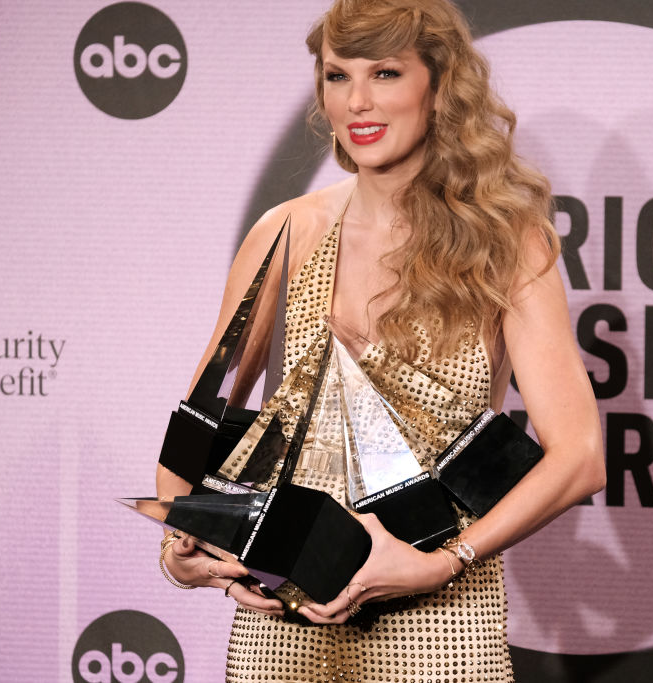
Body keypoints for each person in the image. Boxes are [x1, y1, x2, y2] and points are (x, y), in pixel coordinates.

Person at [156, 0, 605, 679]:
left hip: (438, 623)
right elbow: (197, 423)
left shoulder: (504, 243)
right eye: (338, 77)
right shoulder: (286, 231)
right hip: (283, 627)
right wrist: (187, 539)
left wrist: (441, 563)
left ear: (440, 84)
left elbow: (580, 456)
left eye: (386, 73)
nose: (358, 102)